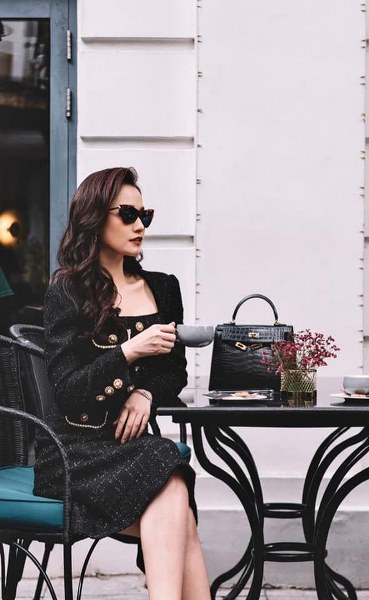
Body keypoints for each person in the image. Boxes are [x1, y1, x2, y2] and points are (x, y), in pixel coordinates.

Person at [34, 167, 211, 599]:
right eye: (128, 214)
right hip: (74, 450)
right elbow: (67, 391)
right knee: (172, 484)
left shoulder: (163, 288)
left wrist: (146, 393)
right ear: (95, 217)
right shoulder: (68, 291)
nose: (139, 226)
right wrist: (129, 352)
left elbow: (174, 371)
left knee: (171, 490)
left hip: (131, 448)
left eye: (144, 215)